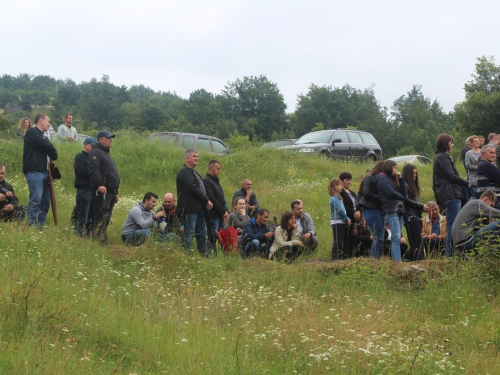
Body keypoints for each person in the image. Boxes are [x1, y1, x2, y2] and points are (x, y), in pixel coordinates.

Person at [433, 133, 470, 257]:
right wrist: (467, 183)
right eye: (451, 142)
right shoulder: (443, 158)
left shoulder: (443, 157)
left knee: (452, 225)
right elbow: (451, 176)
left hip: (449, 194)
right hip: (450, 194)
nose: (453, 145)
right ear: (445, 144)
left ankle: (452, 253)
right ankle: (451, 254)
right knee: (453, 226)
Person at [23, 113, 58, 228]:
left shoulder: (43, 136)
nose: (49, 124)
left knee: (45, 202)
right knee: (36, 199)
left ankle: (39, 227)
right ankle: (32, 225)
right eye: (48, 121)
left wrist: (50, 148)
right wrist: (50, 147)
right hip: (34, 171)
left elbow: (53, 153)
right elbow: (46, 146)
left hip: (45, 172)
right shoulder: (32, 132)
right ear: (41, 120)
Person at [176, 149, 213, 256]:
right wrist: (206, 199)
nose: (197, 158)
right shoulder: (183, 172)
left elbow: (200, 188)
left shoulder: (194, 172)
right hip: (189, 208)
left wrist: (204, 201)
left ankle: (204, 255)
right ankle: (188, 255)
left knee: (202, 233)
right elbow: (192, 188)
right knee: (189, 233)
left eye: (198, 156)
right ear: (187, 158)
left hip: (199, 208)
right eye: (194, 156)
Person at [88, 130, 120, 244]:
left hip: (111, 191)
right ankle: (98, 242)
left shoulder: (105, 153)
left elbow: (112, 173)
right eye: (108, 138)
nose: (111, 140)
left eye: (111, 138)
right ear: (101, 139)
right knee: (100, 217)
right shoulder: (96, 152)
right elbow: (93, 170)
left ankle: (102, 241)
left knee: (106, 218)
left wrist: (116, 191)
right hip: (102, 191)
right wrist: (100, 184)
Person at [374, 160, 405, 262]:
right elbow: (390, 193)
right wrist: (401, 197)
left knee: (398, 236)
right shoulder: (382, 178)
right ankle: (397, 261)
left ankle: (397, 260)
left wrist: (400, 179)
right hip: (391, 210)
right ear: (389, 167)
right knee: (396, 237)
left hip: (399, 209)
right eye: (394, 167)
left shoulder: (392, 179)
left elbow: (404, 193)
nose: (396, 170)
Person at [357, 161, 385, 258]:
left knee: (380, 235)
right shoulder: (369, 177)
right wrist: (381, 198)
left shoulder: (381, 179)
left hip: (379, 209)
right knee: (378, 235)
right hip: (370, 208)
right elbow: (366, 193)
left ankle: (377, 257)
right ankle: (375, 259)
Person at [401, 163, 428, 261]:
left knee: (417, 241)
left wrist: (423, 208)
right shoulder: (404, 184)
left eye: (416, 173)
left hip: (417, 214)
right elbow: (406, 200)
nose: (415, 176)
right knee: (416, 240)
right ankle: (412, 259)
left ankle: (414, 259)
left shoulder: (414, 186)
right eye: (413, 173)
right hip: (410, 215)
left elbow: (416, 201)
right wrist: (421, 206)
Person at [73, 137, 97, 236]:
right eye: (92, 145)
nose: (93, 148)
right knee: (83, 215)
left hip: (93, 190)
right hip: (84, 189)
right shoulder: (79, 157)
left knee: (91, 216)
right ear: (86, 144)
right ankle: (80, 237)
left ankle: (88, 235)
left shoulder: (95, 158)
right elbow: (82, 171)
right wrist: (94, 171)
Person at [203, 160, 228, 235]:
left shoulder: (216, 181)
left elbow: (222, 197)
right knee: (213, 235)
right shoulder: (207, 181)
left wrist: (226, 210)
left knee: (222, 237)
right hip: (213, 214)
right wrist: (223, 211)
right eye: (217, 169)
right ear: (211, 168)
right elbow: (211, 197)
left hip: (220, 214)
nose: (219, 171)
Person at [339, 172, 361, 258]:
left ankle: (353, 255)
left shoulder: (352, 193)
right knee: (346, 239)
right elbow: (343, 206)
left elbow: (357, 203)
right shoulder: (341, 192)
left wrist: (359, 211)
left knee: (353, 238)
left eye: (350, 180)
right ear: (341, 181)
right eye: (347, 180)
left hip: (355, 219)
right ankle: (345, 256)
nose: (349, 182)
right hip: (347, 218)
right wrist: (353, 213)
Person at [329, 178, 350, 260]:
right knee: (337, 242)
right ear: (335, 186)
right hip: (337, 221)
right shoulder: (334, 198)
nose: (341, 187)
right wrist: (347, 219)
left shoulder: (337, 198)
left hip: (340, 221)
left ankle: (339, 258)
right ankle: (335, 258)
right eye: (340, 185)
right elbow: (340, 210)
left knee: (340, 241)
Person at [464, 135, 481, 200]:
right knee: (476, 197)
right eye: (475, 141)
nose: (477, 142)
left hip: (482, 178)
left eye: (478, 141)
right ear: (471, 143)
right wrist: (476, 167)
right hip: (473, 179)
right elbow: (467, 165)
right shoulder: (468, 153)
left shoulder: (482, 151)